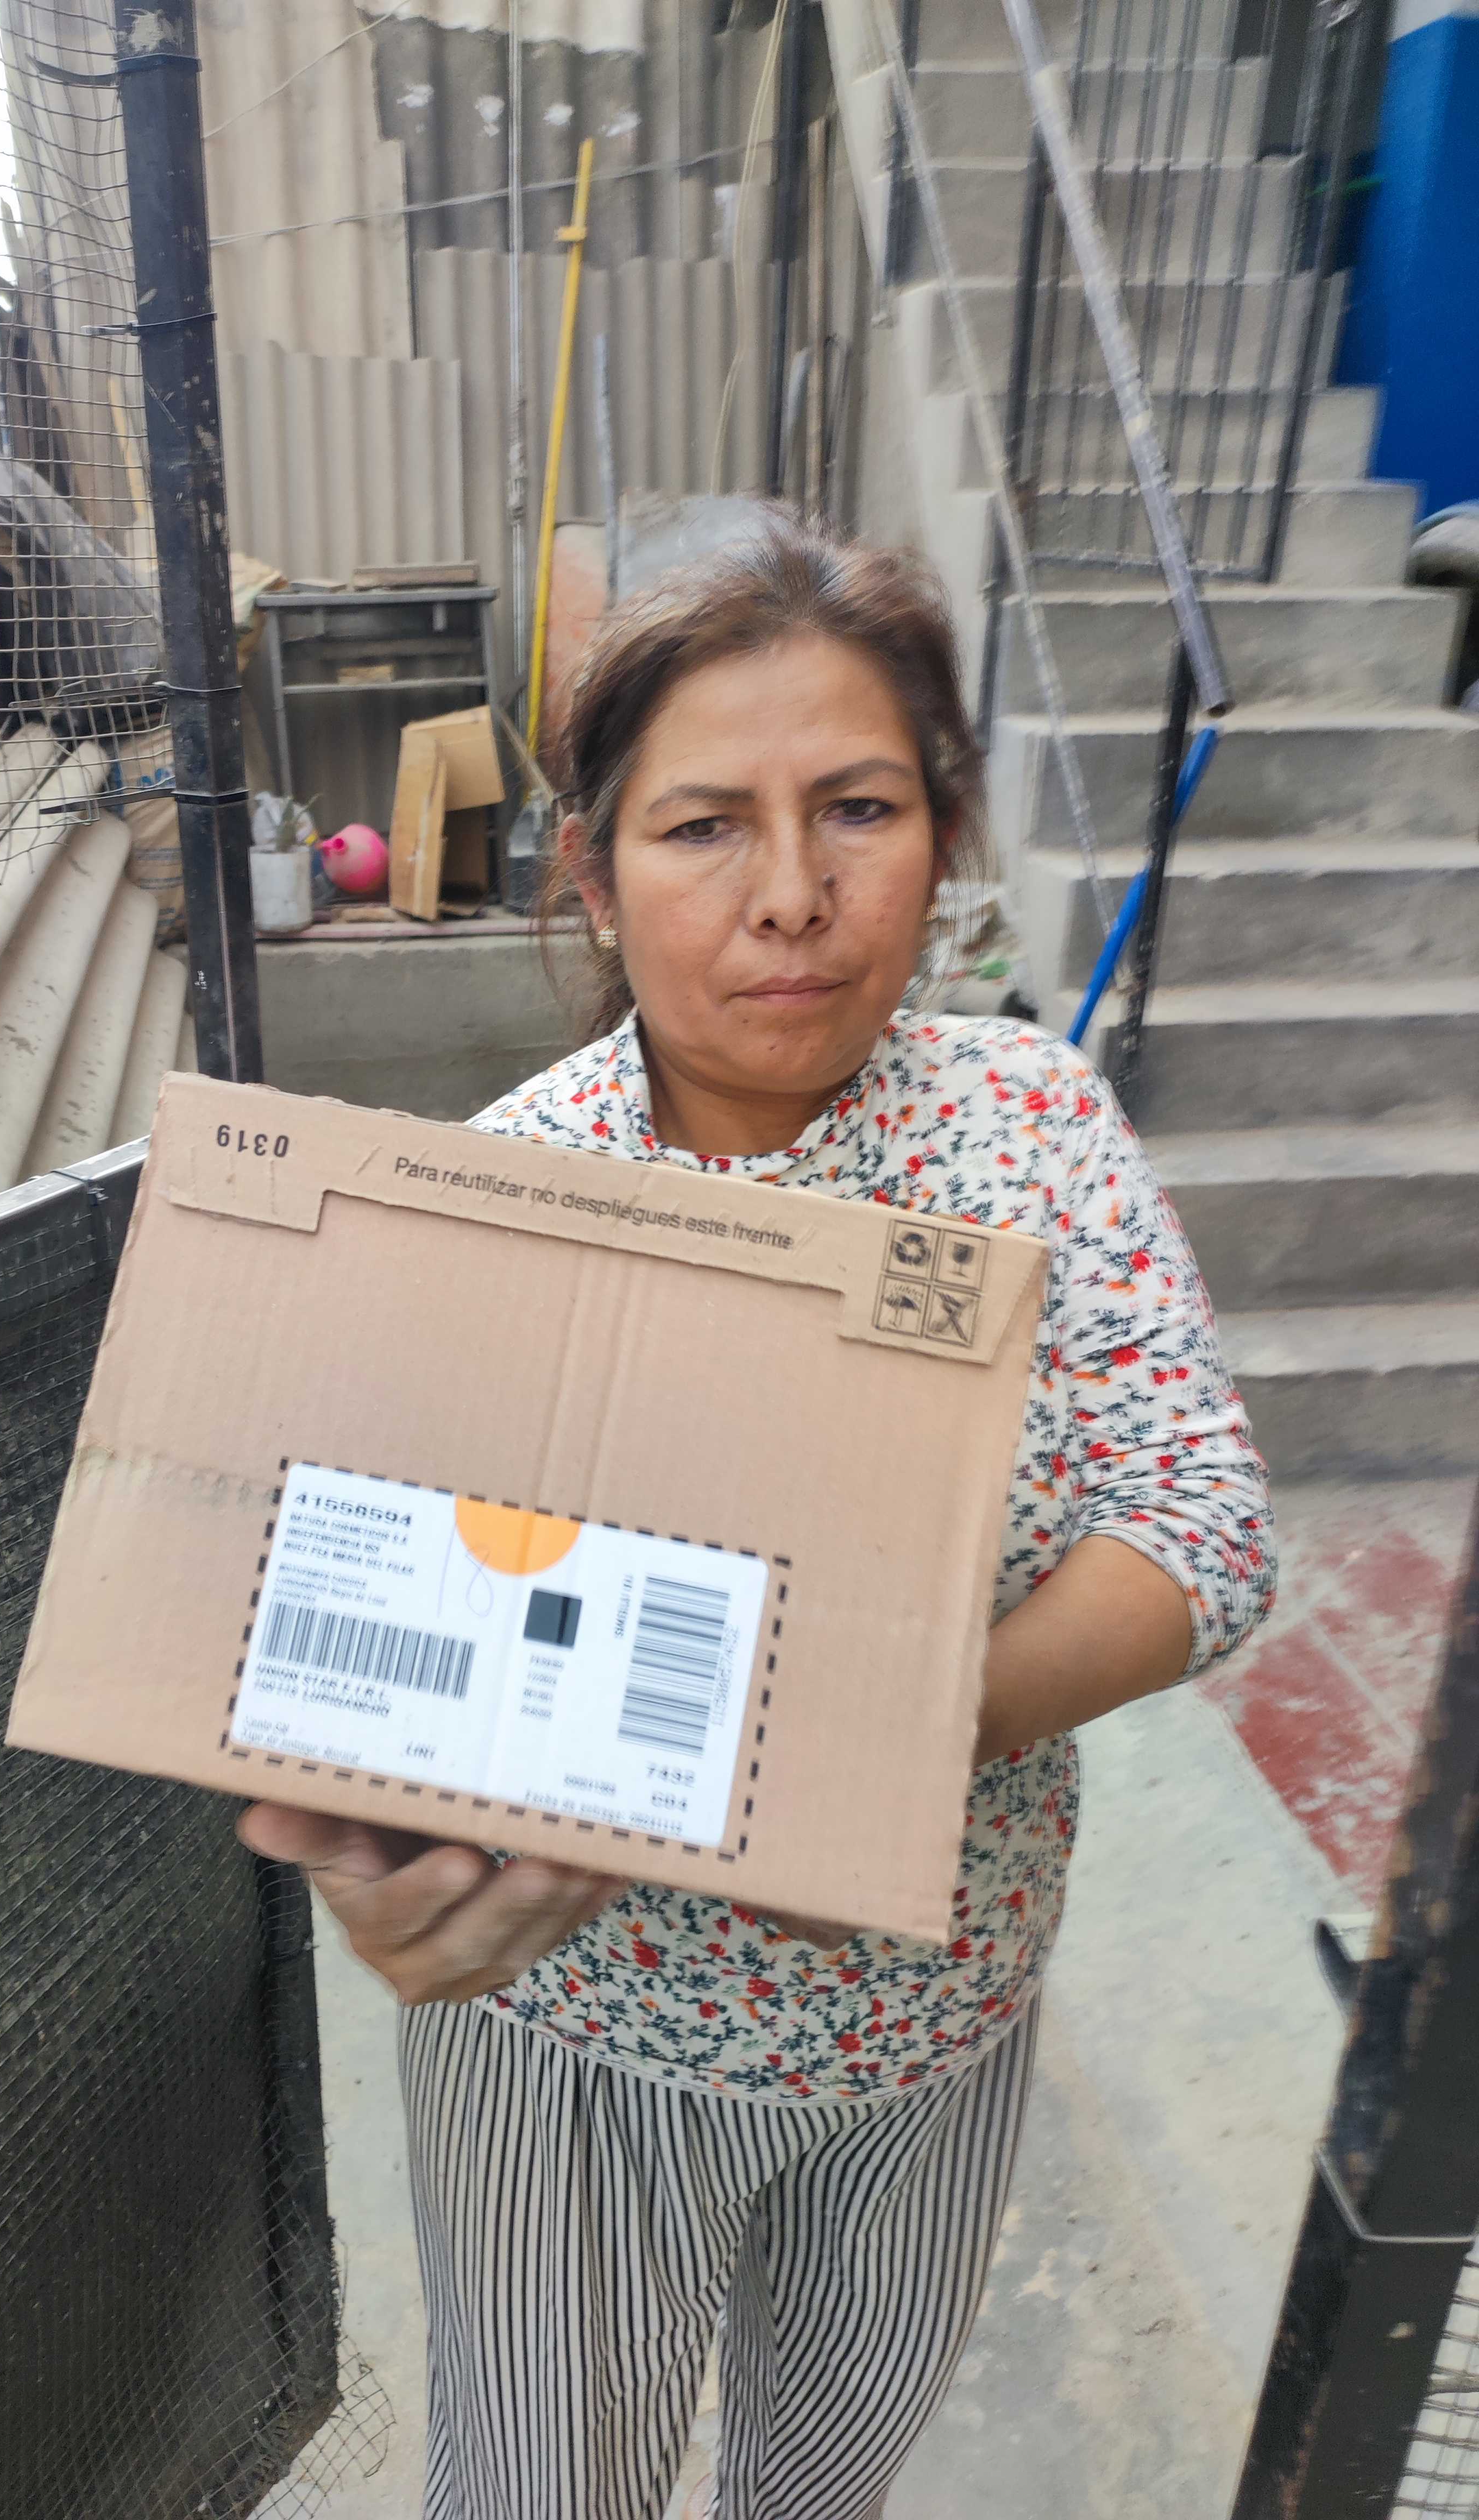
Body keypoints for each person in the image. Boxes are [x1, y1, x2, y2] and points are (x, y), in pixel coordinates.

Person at [240, 518, 1275, 2520]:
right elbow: (379, 1623)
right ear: (595, 874)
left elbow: (1203, 1514)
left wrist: (914, 1733)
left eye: (859, 809)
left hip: (933, 2020)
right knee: (544, 2487)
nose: (792, 895)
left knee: (826, 2483)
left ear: (944, 832)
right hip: (577, 2039)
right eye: (705, 826)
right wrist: (366, 1831)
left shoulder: (1031, 1129)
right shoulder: (506, 1196)